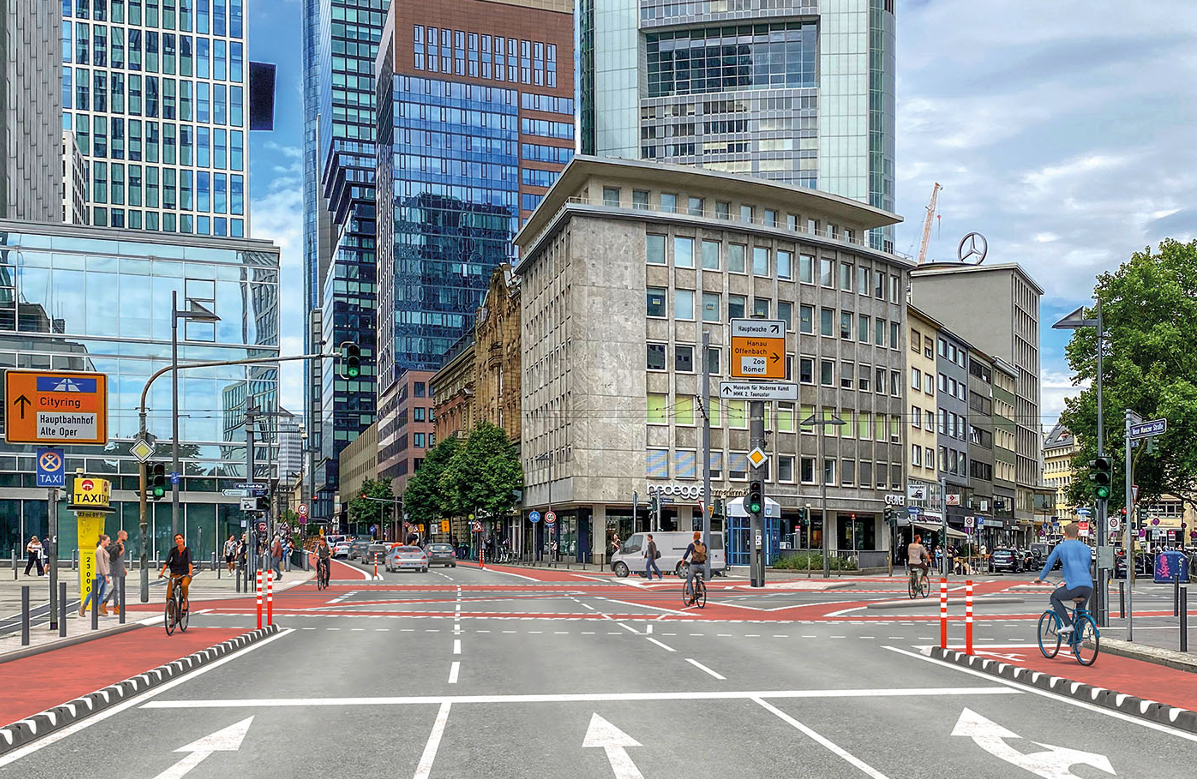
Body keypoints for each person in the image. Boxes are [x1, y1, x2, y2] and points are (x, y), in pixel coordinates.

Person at [1034, 523, 1094, 635]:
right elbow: (1088, 566)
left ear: (1064, 534)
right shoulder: (1086, 548)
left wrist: (1040, 577)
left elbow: (1049, 564)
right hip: (1088, 586)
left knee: (1054, 597)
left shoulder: (1060, 547)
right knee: (1081, 612)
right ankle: (1076, 643)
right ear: (1078, 534)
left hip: (1073, 586)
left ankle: (1067, 624)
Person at [159, 533, 194, 613]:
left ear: (183, 540)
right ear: (175, 541)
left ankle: (185, 601)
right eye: (177, 539)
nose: (179, 540)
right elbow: (167, 562)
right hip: (174, 574)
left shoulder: (187, 550)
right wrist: (162, 573)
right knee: (168, 596)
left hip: (185, 574)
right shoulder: (173, 550)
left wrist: (190, 572)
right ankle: (172, 616)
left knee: (184, 585)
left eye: (180, 538)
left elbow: (189, 562)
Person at [79, 535, 111, 617]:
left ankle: (99, 609)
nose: (109, 542)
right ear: (102, 541)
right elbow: (101, 564)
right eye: (108, 540)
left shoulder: (103, 550)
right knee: (94, 591)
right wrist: (106, 576)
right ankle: (83, 607)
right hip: (101, 574)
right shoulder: (99, 550)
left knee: (102, 592)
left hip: (105, 573)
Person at [103, 530, 127, 615]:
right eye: (125, 535)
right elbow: (114, 558)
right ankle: (116, 607)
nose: (126, 537)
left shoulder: (122, 546)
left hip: (120, 569)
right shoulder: (115, 546)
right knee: (117, 589)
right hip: (115, 569)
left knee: (117, 588)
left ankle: (104, 602)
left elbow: (121, 560)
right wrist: (121, 551)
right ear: (121, 536)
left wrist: (124, 568)